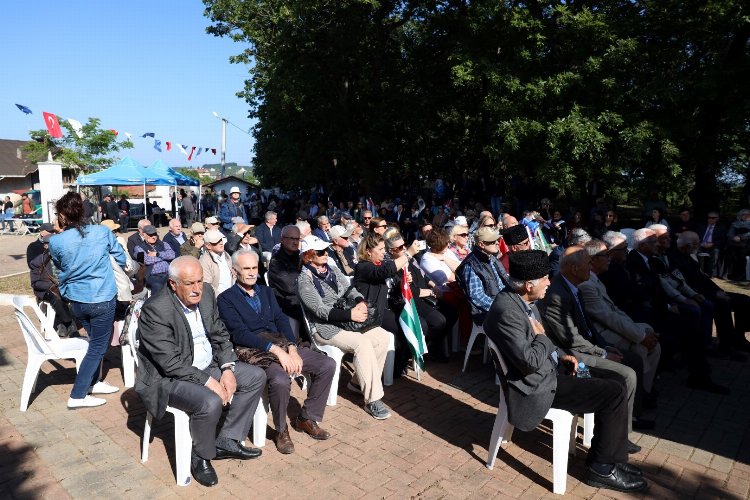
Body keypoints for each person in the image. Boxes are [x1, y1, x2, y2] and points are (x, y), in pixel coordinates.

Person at [483, 250, 646, 493]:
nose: (550, 281)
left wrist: (562, 355)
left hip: (551, 372)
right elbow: (528, 361)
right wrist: (544, 340)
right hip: (537, 387)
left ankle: (614, 457)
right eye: (545, 278)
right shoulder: (507, 311)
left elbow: (543, 342)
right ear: (529, 284)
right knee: (612, 393)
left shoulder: (524, 301)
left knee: (616, 380)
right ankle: (601, 468)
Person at [135, 256, 266, 487]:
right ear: (174, 284)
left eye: (200, 281)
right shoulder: (156, 310)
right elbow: (170, 363)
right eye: (189, 284)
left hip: (208, 364)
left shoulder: (206, 293)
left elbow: (220, 333)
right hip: (168, 378)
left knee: (255, 377)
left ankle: (227, 440)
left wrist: (226, 367)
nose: (197, 289)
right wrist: (209, 381)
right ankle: (201, 456)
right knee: (210, 402)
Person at [217, 250, 336, 454]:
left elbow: (281, 319)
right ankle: (281, 430)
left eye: (254, 268)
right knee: (281, 379)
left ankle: (306, 418)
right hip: (252, 349)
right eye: (246, 268)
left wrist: (291, 346)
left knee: (327, 365)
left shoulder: (266, 292)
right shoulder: (226, 299)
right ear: (234, 270)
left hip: (280, 343)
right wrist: (278, 352)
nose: (252, 272)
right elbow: (239, 333)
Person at [539, 246, 653, 436]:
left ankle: (631, 416)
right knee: (626, 374)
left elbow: (588, 327)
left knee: (634, 359)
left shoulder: (573, 287)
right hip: (573, 358)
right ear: (575, 269)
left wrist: (606, 346)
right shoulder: (556, 296)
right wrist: (604, 353)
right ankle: (620, 435)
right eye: (588, 263)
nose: (591, 266)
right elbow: (572, 340)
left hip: (584, 348)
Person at [297, 235, 393, 420]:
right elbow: (320, 310)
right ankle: (372, 399)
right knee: (362, 343)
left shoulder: (331, 269)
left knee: (382, 337)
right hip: (326, 328)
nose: (325, 254)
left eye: (326, 250)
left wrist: (359, 301)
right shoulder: (304, 281)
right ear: (308, 256)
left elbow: (350, 288)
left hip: (347, 320)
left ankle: (357, 383)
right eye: (320, 252)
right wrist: (350, 315)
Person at [48, 192, 126, 408]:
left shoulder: (56, 241)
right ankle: (78, 394)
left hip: (75, 300)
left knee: (95, 342)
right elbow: (120, 257)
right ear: (83, 211)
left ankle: (93, 382)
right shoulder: (101, 232)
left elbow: (59, 268)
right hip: (101, 297)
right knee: (99, 346)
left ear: (62, 216)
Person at [579, 240, 661, 405]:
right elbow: (608, 318)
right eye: (606, 254)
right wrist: (640, 337)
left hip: (609, 328)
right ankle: (638, 396)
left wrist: (641, 333)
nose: (610, 258)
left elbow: (614, 311)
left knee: (649, 335)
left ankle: (643, 390)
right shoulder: (587, 284)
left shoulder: (595, 279)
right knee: (642, 346)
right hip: (601, 335)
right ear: (592, 259)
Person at [385, 231, 452, 361]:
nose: (404, 248)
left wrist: (434, 286)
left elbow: (424, 276)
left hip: (426, 296)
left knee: (451, 312)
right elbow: (409, 291)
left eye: (404, 245)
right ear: (391, 251)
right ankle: (419, 347)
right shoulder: (392, 267)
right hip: (412, 300)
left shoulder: (412, 260)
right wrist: (431, 292)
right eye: (399, 248)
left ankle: (431, 345)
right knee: (438, 321)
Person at [354, 232, 410, 376]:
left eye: (384, 249)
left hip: (384, 309)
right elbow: (382, 273)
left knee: (411, 324)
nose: (383, 252)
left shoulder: (381, 264)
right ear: (368, 251)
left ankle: (399, 364)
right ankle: (394, 369)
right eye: (380, 249)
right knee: (400, 328)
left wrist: (403, 281)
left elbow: (392, 280)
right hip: (371, 314)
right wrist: (408, 254)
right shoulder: (363, 267)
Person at [28, 225, 77, 338]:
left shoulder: (62, 258)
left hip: (63, 286)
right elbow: (35, 282)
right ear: (45, 246)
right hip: (46, 288)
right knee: (56, 297)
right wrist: (51, 285)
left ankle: (63, 326)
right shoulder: (38, 261)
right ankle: (70, 324)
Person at [456, 226, 509, 325]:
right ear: (481, 244)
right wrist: (502, 307)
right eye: (492, 241)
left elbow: (503, 282)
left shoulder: (491, 257)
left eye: (497, 240)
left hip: (502, 307)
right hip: (487, 315)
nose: (497, 243)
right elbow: (477, 297)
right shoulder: (470, 265)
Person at [267, 225, 304, 324]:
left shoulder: (301, 256)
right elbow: (290, 287)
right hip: (288, 305)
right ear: (282, 239)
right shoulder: (276, 261)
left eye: (297, 239)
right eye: (292, 238)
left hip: (304, 299)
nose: (295, 242)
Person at [133, 225, 176, 294]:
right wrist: (164, 257)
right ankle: (155, 304)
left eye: (155, 234)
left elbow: (172, 255)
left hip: (168, 273)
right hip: (151, 275)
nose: (153, 237)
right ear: (144, 235)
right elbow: (146, 260)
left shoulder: (163, 244)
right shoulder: (138, 248)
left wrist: (157, 254)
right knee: (158, 285)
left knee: (180, 281)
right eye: (150, 235)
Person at [199, 229, 234, 295]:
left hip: (232, 295)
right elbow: (207, 286)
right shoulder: (204, 261)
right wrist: (221, 298)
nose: (221, 243)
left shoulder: (226, 255)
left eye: (221, 240)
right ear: (208, 246)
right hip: (218, 298)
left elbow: (233, 275)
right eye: (216, 241)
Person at [696, 211, 726, 278]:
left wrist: (713, 244)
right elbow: (696, 236)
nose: (710, 219)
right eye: (709, 217)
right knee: (693, 251)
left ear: (717, 219)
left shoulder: (720, 228)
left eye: (713, 218)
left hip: (713, 246)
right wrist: (700, 243)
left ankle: (710, 273)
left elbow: (722, 240)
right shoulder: (701, 226)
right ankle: (696, 271)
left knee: (715, 252)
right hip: (701, 245)